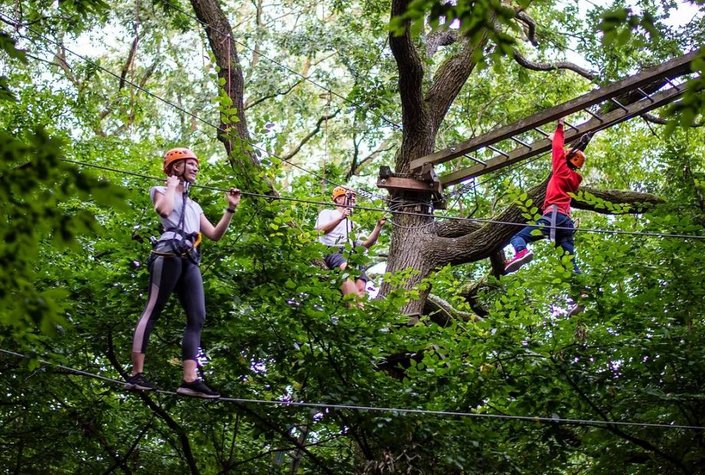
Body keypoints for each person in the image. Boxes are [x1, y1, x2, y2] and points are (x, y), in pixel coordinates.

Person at [125, 147, 241, 398]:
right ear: (176, 167)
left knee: (197, 317)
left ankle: (189, 379)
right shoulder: (160, 191)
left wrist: (230, 209)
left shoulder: (194, 206)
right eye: (190, 164)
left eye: (196, 165)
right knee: (153, 309)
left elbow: (214, 235)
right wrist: (171, 185)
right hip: (167, 252)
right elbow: (164, 211)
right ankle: (136, 374)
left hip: (190, 257)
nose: (196, 168)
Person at [504, 118, 585, 276]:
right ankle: (580, 289)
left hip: (554, 216)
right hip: (566, 222)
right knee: (569, 261)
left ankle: (521, 252)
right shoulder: (573, 180)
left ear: (567, 159)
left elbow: (557, 148)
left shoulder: (561, 170)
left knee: (518, 237)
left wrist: (559, 129)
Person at [315, 186, 386, 297]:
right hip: (334, 250)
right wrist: (341, 218)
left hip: (351, 253)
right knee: (346, 271)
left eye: (354, 196)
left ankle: (360, 309)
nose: (353, 198)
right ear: (338, 199)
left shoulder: (353, 223)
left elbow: (366, 244)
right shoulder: (328, 213)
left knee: (361, 286)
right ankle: (353, 305)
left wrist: (378, 226)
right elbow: (320, 230)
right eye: (349, 195)